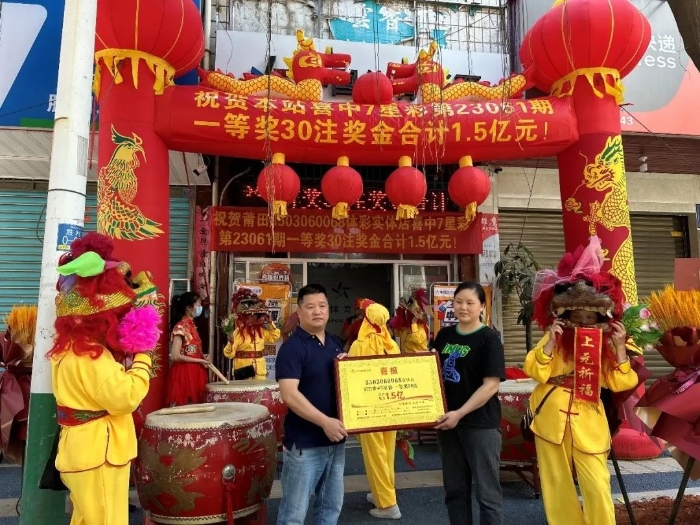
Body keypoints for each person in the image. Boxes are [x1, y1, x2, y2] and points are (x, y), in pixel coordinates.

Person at [524, 236, 640, 525]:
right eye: (578, 315)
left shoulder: (607, 345)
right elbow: (535, 371)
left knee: (597, 485)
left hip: (589, 418)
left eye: (590, 316)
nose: (584, 321)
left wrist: (620, 349)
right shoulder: (554, 337)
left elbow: (621, 383)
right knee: (557, 485)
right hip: (551, 416)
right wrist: (551, 342)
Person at [49, 232, 157, 525]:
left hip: (86, 451)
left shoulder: (72, 348)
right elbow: (125, 397)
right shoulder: (90, 354)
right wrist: (143, 355)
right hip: (98, 453)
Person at [432, 281, 505, 525]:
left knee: (487, 494)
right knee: (455, 490)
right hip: (448, 424)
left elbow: (491, 385)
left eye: (470, 303)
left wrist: (460, 413)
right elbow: (429, 372)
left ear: (482, 306)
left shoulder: (489, 339)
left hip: (479, 424)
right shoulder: (444, 336)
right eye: (459, 302)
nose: (463, 307)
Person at [275, 283, 347, 525]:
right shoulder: (292, 348)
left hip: (335, 441)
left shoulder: (335, 343)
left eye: (322, 305)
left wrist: (349, 369)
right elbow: (289, 394)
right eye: (310, 306)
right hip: (305, 444)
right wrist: (325, 422)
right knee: (294, 514)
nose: (317, 311)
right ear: (299, 312)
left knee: (330, 509)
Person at [349, 300, 402, 520]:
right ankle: (382, 492)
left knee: (375, 455)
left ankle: (388, 504)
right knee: (387, 452)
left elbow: (349, 377)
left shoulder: (359, 345)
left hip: (368, 409)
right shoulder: (392, 345)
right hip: (392, 405)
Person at [223, 288, 281, 379]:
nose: (252, 317)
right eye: (249, 315)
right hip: (243, 372)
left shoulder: (261, 330)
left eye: (255, 315)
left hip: (259, 372)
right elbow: (229, 354)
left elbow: (275, 337)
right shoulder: (237, 332)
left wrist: (270, 322)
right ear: (244, 317)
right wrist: (231, 342)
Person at [166, 292, 209, 406]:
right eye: (198, 305)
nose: (200, 308)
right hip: (184, 373)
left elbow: (191, 350)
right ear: (189, 308)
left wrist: (202, 356)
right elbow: (175, 356)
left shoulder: (192, 326)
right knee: (185, 407)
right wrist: (199, 360)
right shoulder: (180, 327)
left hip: (195, 371)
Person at [389, 288, 430, 353]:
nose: (407, 315)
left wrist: (414, 323)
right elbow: (397, 333)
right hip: (406, 357)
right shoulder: (407, 328)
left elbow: (417, 340)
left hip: (418, 358)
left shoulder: (422, 328)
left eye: (408, 313)